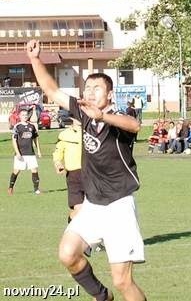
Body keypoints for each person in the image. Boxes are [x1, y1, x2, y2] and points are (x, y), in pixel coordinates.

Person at [27, 39, 146, 301]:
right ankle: (102, 297)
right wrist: (36, 59)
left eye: (97, 88)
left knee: (123, 281)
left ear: (110, 95)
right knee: (67, 253)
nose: (90, 92)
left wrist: (102, 117)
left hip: (119, 205)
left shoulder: (117, 118)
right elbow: (51, 88)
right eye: (87, 87)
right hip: (93, 205)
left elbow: (134, 125)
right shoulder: (83, 113)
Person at [53, 119, 84, 222]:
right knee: (79, 209)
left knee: (95, 209)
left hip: (93, 174)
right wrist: (58, 163)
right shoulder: (64, 135)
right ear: (72, 118)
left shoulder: (92, 131)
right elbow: (58, 152)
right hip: (74, 175)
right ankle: (70, 229)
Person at [7, 108, 42, 195]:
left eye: (26, 115)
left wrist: (39, 151)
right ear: (19, 116)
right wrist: (18, 153)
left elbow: (35, 139)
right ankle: (10, 187)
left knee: (34, 170)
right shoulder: (17, 126)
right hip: (21, 153)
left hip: (30, 153)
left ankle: (36, 189)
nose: (25, 117)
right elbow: (14, 140)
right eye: (23, 115)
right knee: (16, 171)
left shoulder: (32, 126)